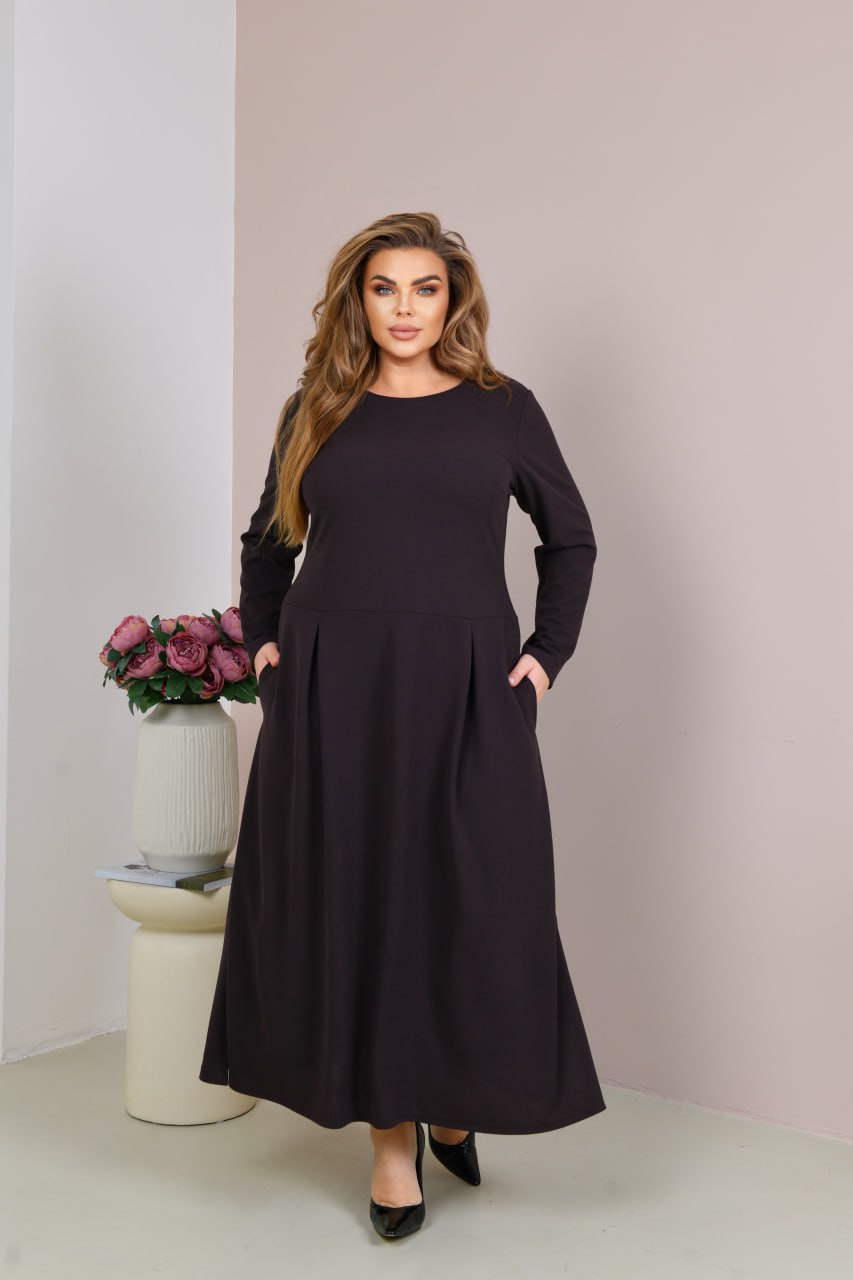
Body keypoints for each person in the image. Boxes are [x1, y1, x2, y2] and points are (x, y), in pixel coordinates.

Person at [199, 211, 606, 1240]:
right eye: (384, 288)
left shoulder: (503, 410)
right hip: (332, 691)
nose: (405, 309)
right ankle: (392, 1141)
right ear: (358, 299)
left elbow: (570, 541)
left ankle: (452, 1094)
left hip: (467, 687)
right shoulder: (315, 408)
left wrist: (541, 661)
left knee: (471, 901)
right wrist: (267, 649)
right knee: (362, 902)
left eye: (425, 288)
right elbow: (265, 547)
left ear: (453, 298)